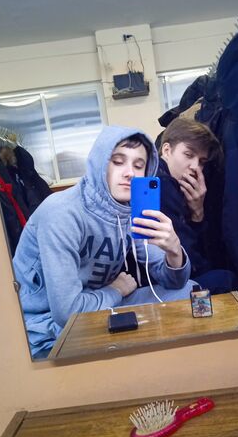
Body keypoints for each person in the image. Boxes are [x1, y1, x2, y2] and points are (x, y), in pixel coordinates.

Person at [13, 125, 194, 359]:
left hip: (99, 303)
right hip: (47, 328)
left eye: (138, 165)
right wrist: (116, 290)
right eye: (118, 162)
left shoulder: (131, 210)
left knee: (188, 291)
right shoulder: (61, 213)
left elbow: (175, 282)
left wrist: (174, 251)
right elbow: (67, 314)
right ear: (100, 164)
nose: (130, 173)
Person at [157, 118, 238, 294]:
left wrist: (197, 212)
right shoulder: (162, 184)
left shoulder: (177, 185)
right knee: (225, 280)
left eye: (201, 161)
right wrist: (198, 216)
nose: (195, 167)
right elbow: (193, 264)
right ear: (167, 150)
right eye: (188, 154)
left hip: (166, 277)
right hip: (162, 282)